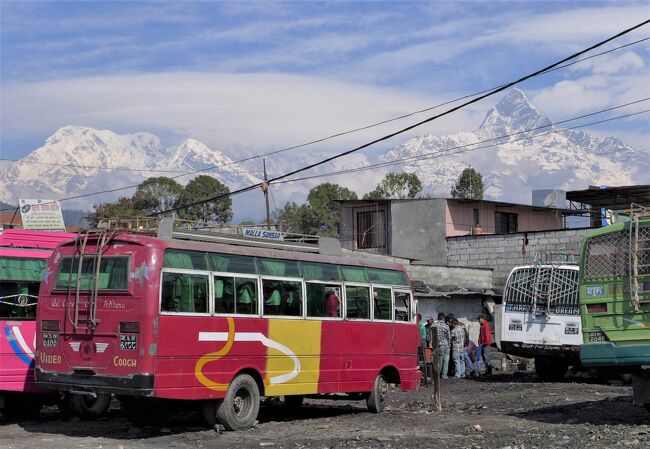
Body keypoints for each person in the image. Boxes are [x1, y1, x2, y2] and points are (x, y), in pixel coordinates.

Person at [428, 312, 450, 379]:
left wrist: (430, 344)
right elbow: (449, 337)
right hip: (445, 345)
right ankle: (444, 375)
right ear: (443, 318)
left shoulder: (433, 325)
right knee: (446, 361)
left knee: (438, 361)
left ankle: (438, 375)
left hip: (436, 345)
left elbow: (430, 337)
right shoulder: (446, 326)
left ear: (438, 317)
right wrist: (449, 345)